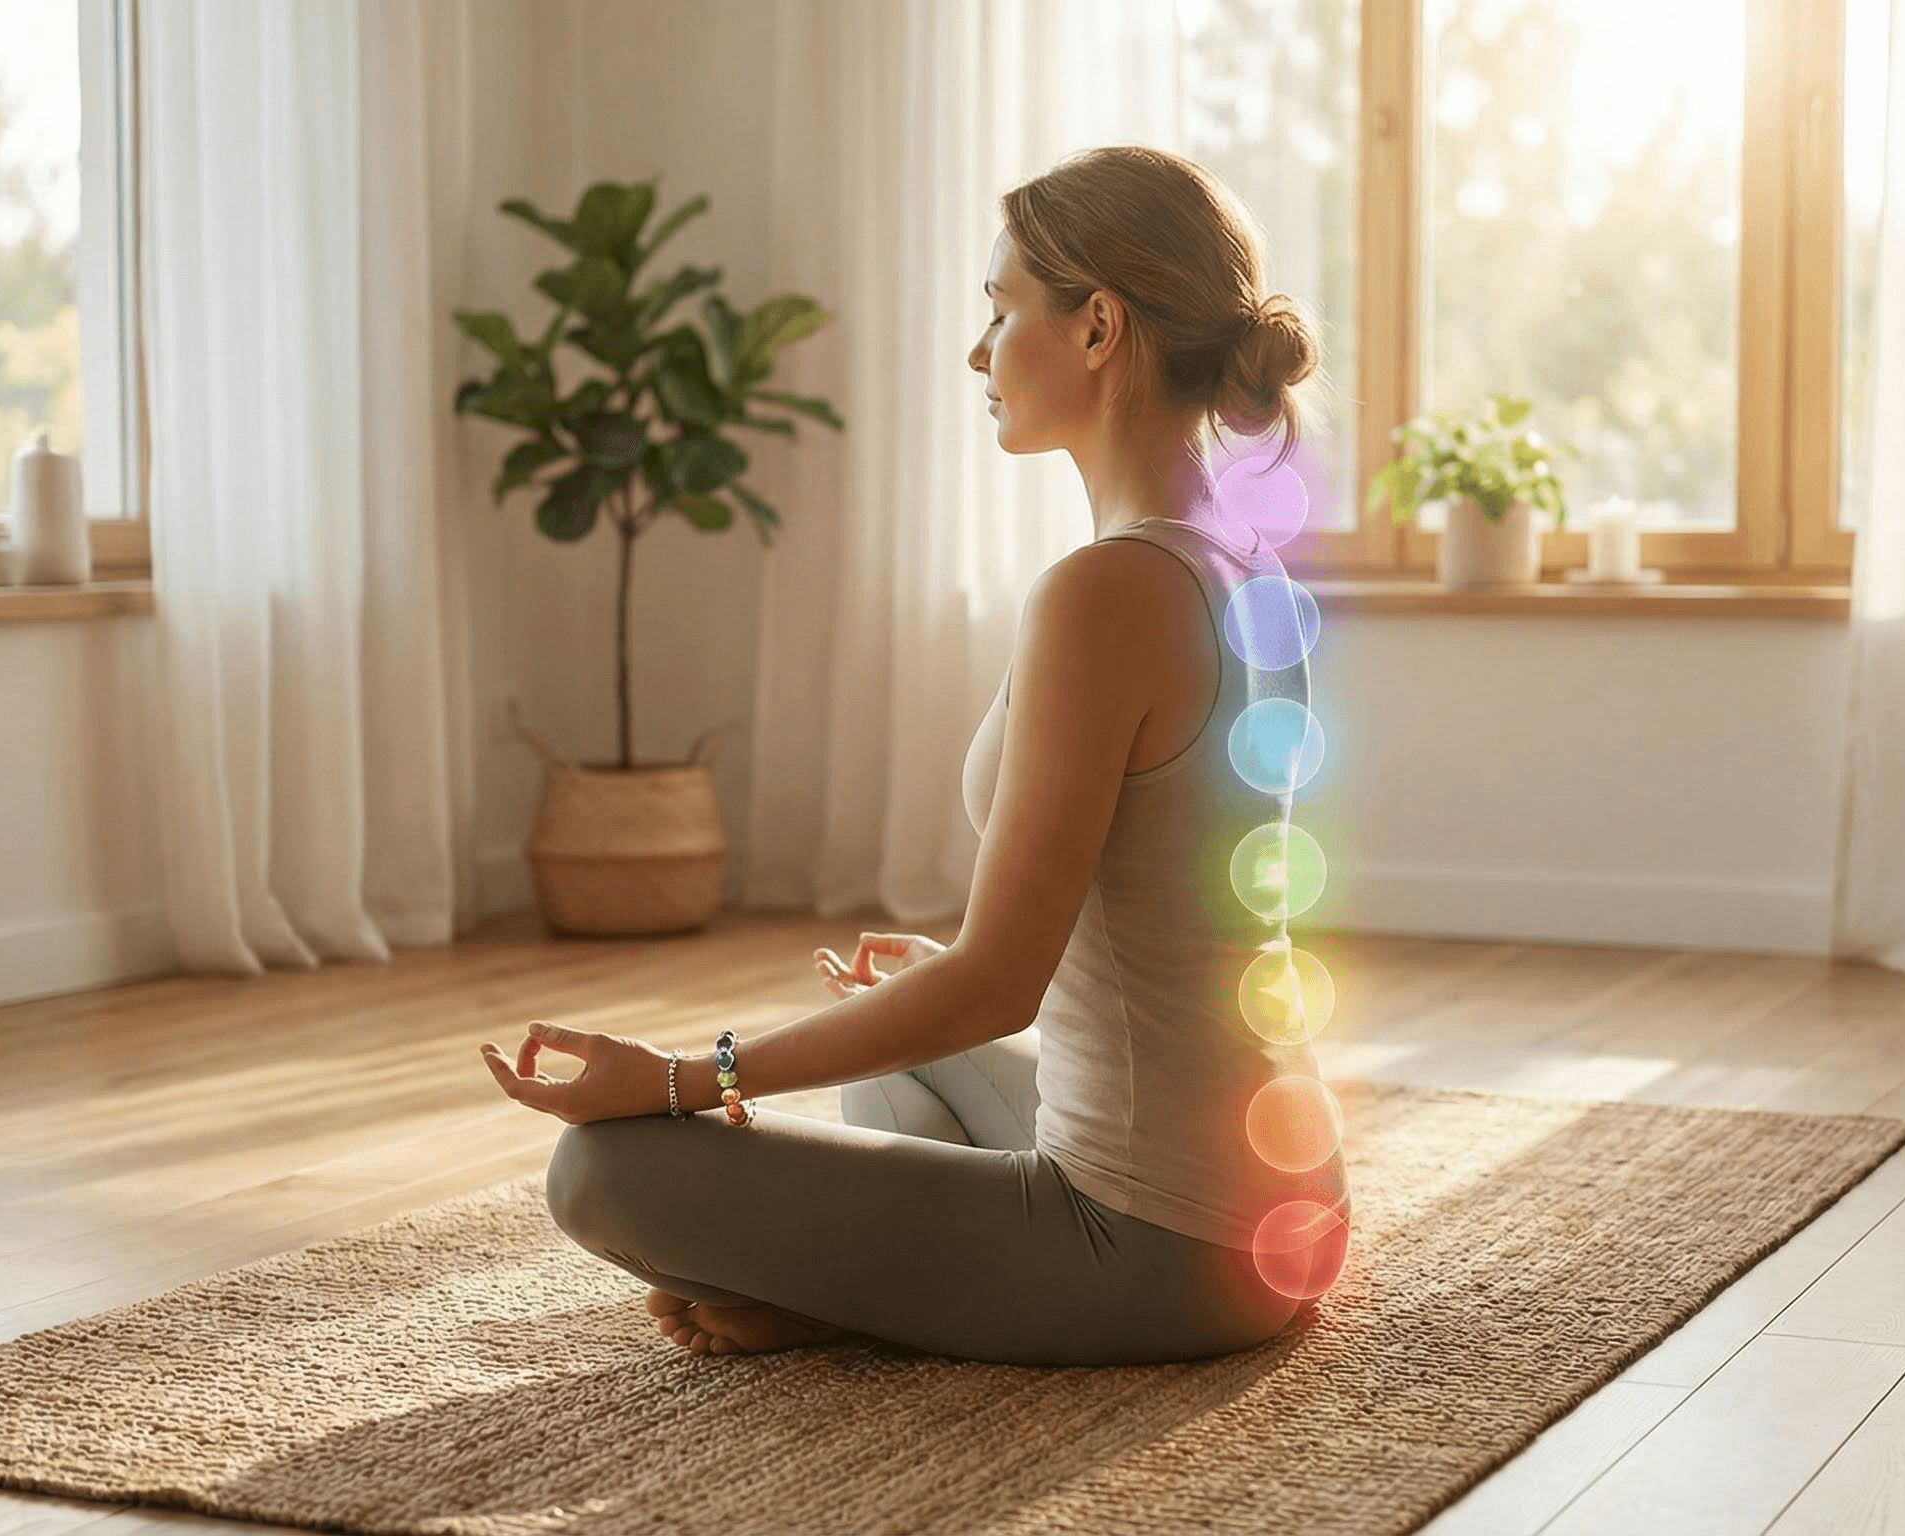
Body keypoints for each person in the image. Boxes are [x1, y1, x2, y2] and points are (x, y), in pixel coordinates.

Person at [478, 144, 1346, 1367]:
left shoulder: (1108, 594)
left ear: (1097, 326)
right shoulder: (1246, 571)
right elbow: (1166, 917)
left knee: (601, 1170)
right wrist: (936, 984)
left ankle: (851, 1287)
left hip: (1159, 1247)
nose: (977, 352)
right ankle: (851, 1285)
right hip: (1281, 1212)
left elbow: (999, 986)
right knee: (900, 1058)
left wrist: (684, 1078)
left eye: (999, 312)